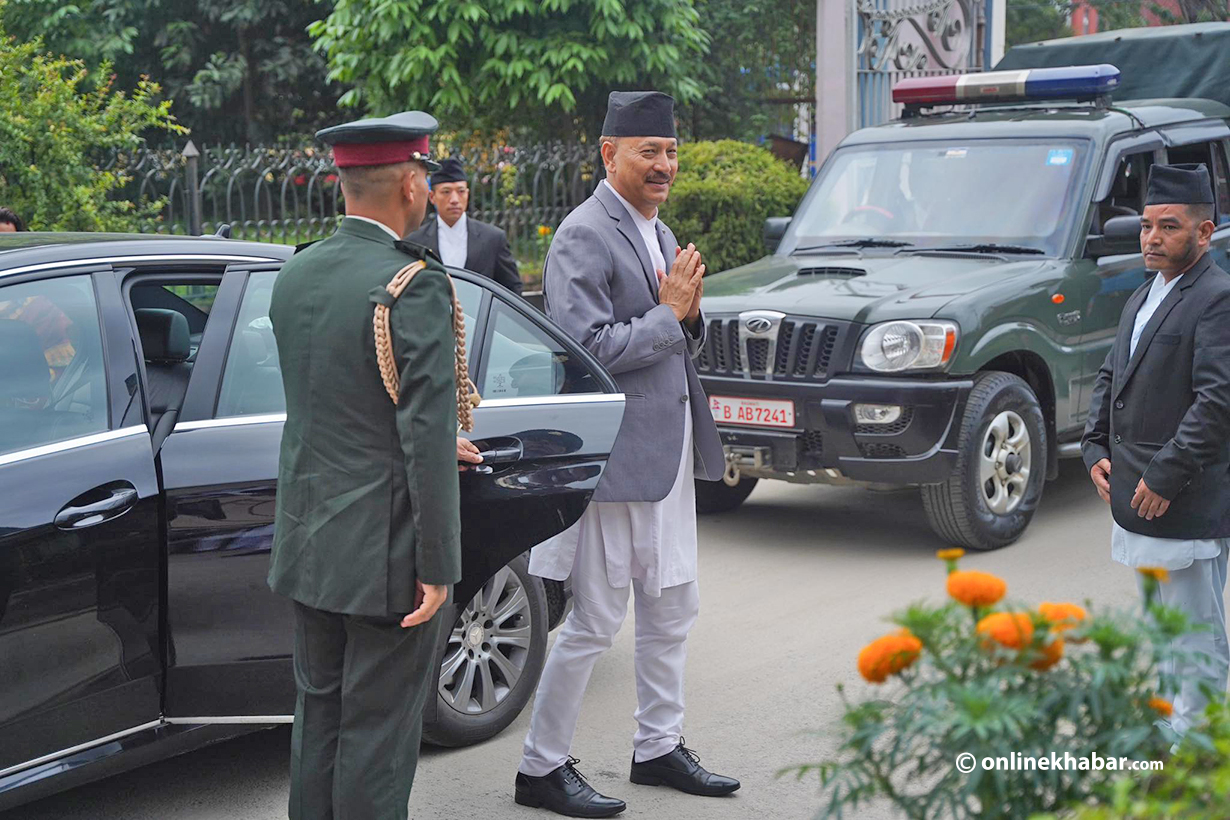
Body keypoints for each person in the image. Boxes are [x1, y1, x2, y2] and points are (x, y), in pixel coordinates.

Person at [514, 90, 739, 818]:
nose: (664, 164)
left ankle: (658, 747)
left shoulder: (661, 231)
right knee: (593, 622)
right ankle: (540, 768)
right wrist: (670, 314)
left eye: (671, 151)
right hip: (616, 463)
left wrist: (688, 316)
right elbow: (589, 353)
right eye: (649, 151)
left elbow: (676, 339)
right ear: (608, 154)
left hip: (666, 456)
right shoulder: (583, 234)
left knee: (674, 607)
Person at [267, 111, 462, 820]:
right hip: (384, 555)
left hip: (308, 542)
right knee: (379, 736)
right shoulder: (413, 284)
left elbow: (337, 406)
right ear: (412, 185)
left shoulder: (296, 271)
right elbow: (425, 433)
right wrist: (439, 566)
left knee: (318, 718)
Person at [1082, 162, 1230, 737]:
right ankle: (1172, 738)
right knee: (1163, 631)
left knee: (1196, 633)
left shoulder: (1216, 297)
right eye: (1146, 225)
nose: (1152, 238)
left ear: (1204, 231)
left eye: (1169, 226)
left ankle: (1202, 751)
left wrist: (1165, 475)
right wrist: (1093, 445)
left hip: (1180, 497)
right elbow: (1110, 373)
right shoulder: (1147, 291)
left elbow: (1216, 402)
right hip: (1136, 494)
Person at [406, 157, 524, 294]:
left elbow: (512, 290)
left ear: (467, 194)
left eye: (460, 191)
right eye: (446, 192)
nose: (454, 200)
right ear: (432, 197)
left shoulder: (493, 239)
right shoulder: (415, 242)